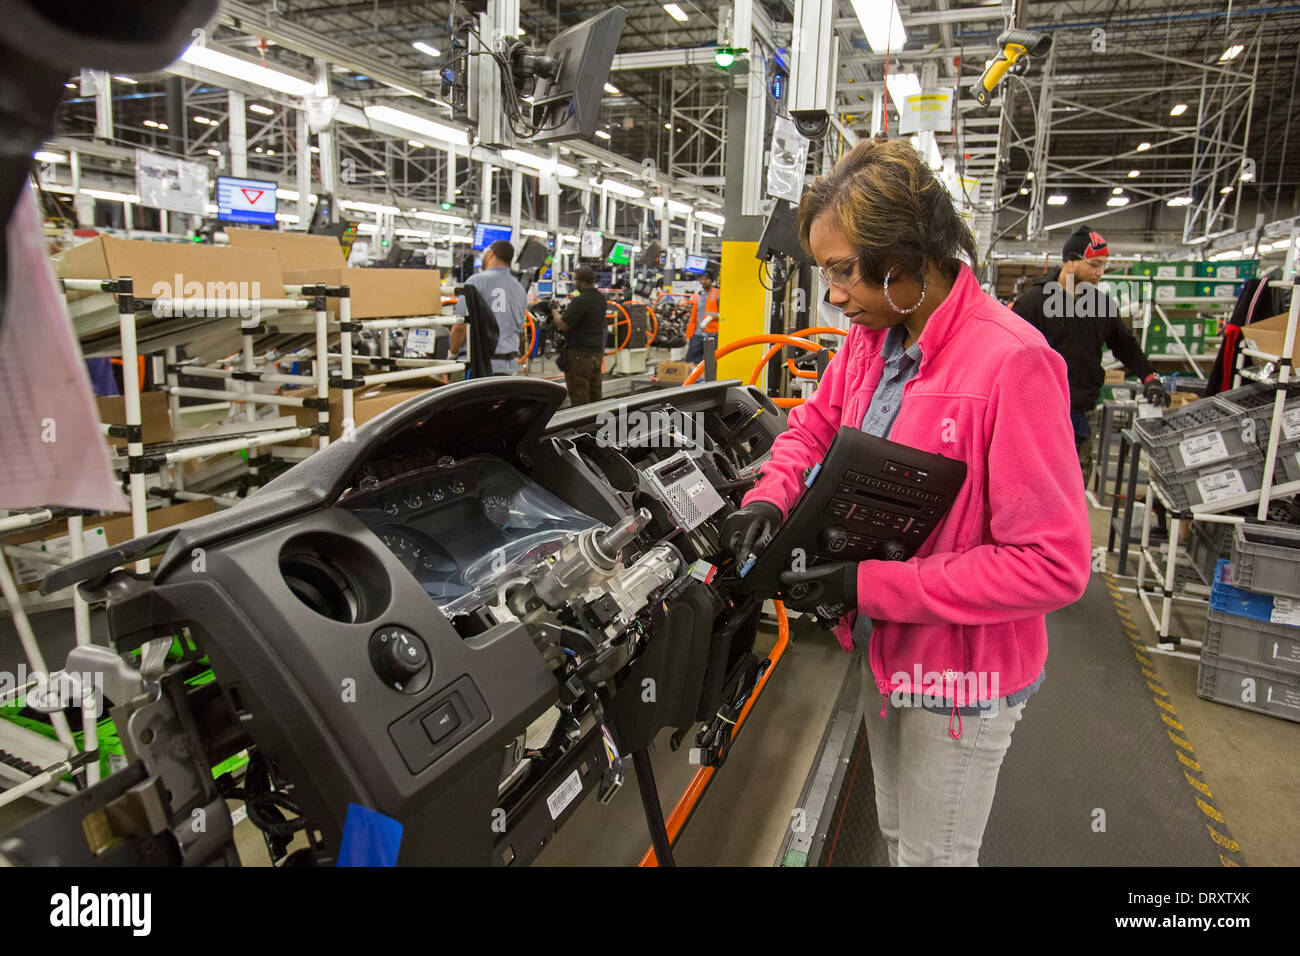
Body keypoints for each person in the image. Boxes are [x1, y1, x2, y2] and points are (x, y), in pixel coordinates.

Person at [720, 138, 1091, 866]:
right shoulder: (875, 337)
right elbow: (815, 425)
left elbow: (1053, 566)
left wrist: (868, 583)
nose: (832, 295)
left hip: (960, 673)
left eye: (841, 272)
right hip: (886, 648)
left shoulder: (1013, 363)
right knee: (899, 840)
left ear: (902, 256)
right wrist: (770, 495)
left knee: (934, 859)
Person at [1011, 225, 1169, 478]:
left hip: (1081, 413)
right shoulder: (1032, 304)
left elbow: (1125, 345)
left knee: (1074, 486)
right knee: (1030, 485)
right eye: (1095, 264)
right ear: (1071, 262)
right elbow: (1008, 356)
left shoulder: (1100, 306)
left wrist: (1150, 378)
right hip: (1037, 415)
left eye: (1103, 265)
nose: (1100, 272)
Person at [448, 239, 527, 375]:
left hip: (478, 367)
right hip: (509, 368)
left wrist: (451, 356)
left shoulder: (476, 281)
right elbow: (519, 328)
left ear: (491, 254)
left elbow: (460, 326)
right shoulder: (519, 288)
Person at [551, 265, 606, 406]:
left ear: (582, 282)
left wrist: (553, 310)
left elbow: (563, 324)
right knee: (595, 392)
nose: (574, 284)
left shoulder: (580, 300)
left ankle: (582, 426)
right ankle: (596, 424)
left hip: (579, 354)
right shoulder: (601, 299)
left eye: (575, 280)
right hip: (597, 352)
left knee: (579, 392)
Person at [683, 272, 720, 363]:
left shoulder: (718, 294)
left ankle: (710, 377)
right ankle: (696, 377)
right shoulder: (699, 295)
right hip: (698, 333)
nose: (703, 281)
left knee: (711, 362)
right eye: (702, 279)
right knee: (690, 360)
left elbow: (725, 314)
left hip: (712, 334)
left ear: (712, 280)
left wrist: (713, 317)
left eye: (706, 279)